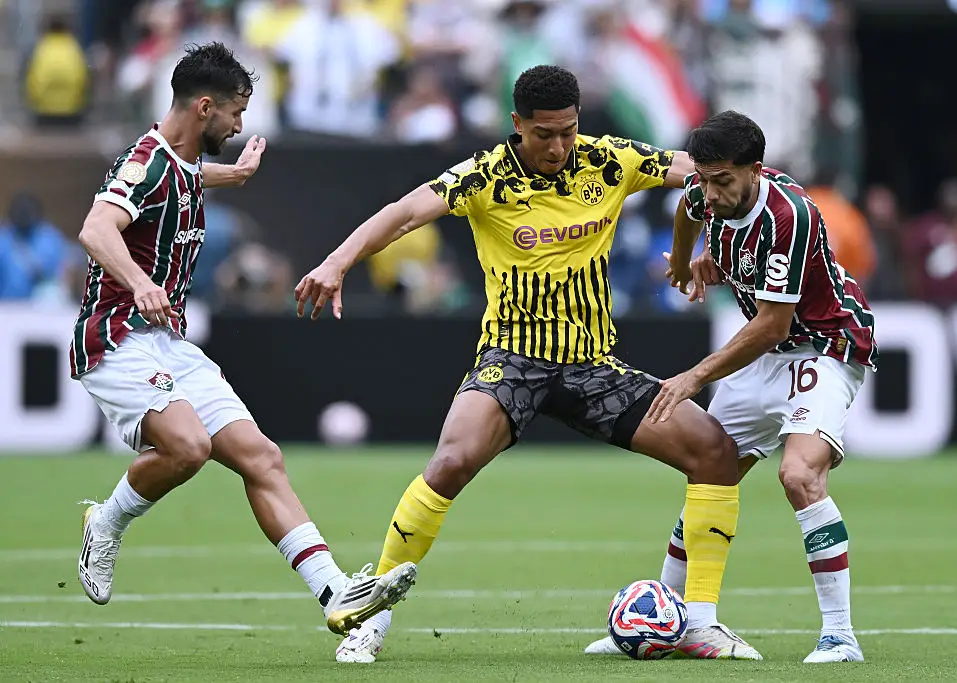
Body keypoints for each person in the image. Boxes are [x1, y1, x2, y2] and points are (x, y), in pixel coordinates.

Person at [295, 65, 762, 664]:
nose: (559, 147)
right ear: (516, 125)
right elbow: (405, 212)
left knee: (716, 453)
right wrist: (337, 261)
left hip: (594, 367)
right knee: (452, 460)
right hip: (511, 360)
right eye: (545, 134)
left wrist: (752, 195)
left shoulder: (610, 160)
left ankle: (699, 621)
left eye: (568, 132)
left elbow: (699, 171)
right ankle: (373, 613)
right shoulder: (485, 176)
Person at [72, 42, 416, 639]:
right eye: (236, 113)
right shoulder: (145, 161)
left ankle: (337, 596)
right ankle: (106, 521)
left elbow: (174, 177)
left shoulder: (174, 164)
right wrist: (140, 282)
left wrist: (219, 175)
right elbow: (95, 227)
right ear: (204, 107)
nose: (240, 126)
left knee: (262, 457)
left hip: (168, 342)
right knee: (188, 447)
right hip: (118, 337)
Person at [584, 110, 877, 663]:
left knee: (798, 474)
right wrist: (687, 262)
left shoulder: (791, 216)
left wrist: (696, 375)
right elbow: (687, 211)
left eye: (724, 181)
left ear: (755, 170)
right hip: (769, 355)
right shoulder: (702, 192)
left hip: (824, 347)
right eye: (705, 177)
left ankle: (841, 637)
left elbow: (772, 323)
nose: (711, 192)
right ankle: (671, 619)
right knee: (709, 469)